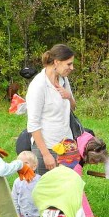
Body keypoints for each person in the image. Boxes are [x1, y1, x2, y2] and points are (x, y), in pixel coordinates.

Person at [26, 44, 76, 174]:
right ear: (56, 62)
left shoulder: (63, 79)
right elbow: (33, 125)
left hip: (66, 144)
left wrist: (68, 97)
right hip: (46, 146)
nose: (72, 68)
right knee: (46, 191)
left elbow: (73, 108)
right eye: (69, 64)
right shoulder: (38, 86)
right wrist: (46, 155)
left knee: (65, 189)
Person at [12, 151, 41, 217]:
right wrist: (17, 212)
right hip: (25, 214)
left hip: (39, 213)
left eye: (26, 163)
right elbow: (14, 198)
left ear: (34, 166)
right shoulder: (17, 182)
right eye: (20, 163)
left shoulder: (40, 180)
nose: (23, 166)